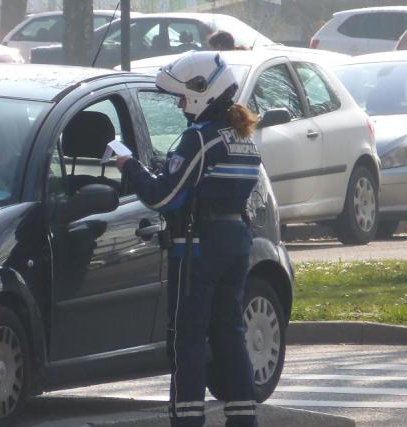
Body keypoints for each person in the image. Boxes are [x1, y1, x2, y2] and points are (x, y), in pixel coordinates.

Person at [115, 51, 261, 427]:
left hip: (199, 247)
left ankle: (187, 419)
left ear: (202, 91)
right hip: (236, 242)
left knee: (188, 337)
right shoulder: (243, 139)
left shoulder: (199, 139)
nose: (180, 103)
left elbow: (165, 198)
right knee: (230, 332)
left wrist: (127, 164)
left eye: (182, 96)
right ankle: (243, 418)